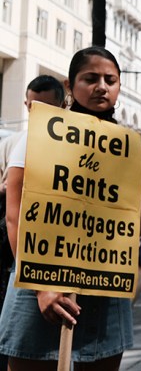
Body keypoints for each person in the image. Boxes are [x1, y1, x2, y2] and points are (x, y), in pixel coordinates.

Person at [0, 47, 141, 369]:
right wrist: (42, 289)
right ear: (70, 84)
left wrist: (123, 239)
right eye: (90, 79)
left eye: (111, 80)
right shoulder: (38, 133)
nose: (102, 86)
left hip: (103, 278)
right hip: (37, 277)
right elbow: (15, 215)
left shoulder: (131, 142)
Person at [0, 75, 65, 371]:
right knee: (24, 351)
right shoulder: (18, 141)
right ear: (26, 105)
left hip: (65, 254)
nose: (38, 115)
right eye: (33, 108)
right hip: (24, 256)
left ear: (62, 106)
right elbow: (13, 216)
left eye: (48, 109)